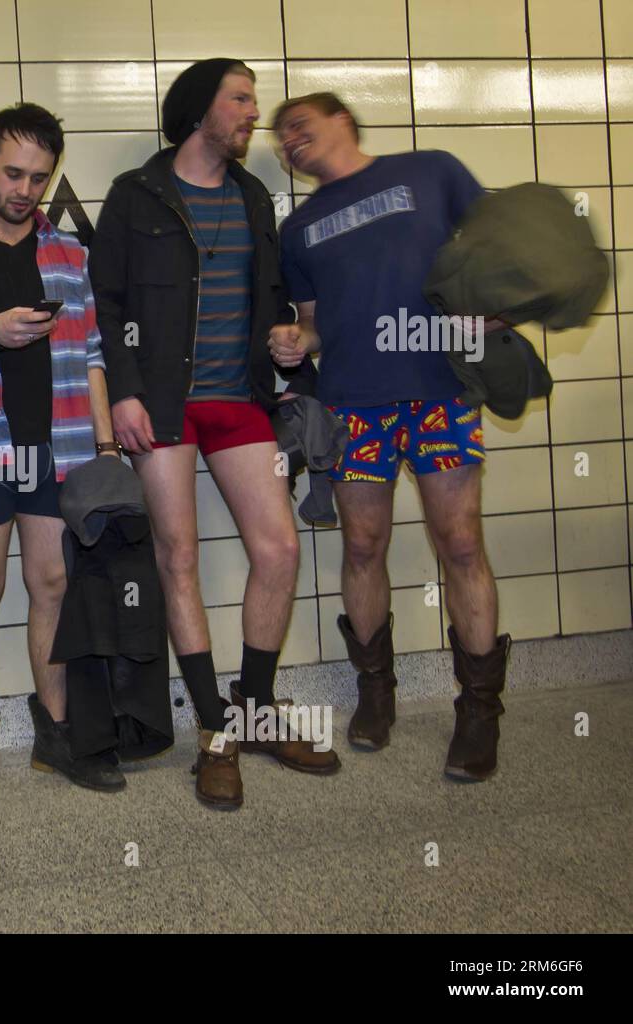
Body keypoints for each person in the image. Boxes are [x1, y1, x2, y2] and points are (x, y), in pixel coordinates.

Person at [90, 59, 340, 811]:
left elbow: (275, 302)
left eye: (253, 100)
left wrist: (294, 337)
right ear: (200, 107)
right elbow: (106, 305)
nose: (252, 113)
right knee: (179, 557)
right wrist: (126, 396)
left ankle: (254, 709)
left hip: (239, 399)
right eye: (239, 98)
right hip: (164, 405)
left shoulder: (253, 195)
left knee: (279, 548)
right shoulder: (138, 196)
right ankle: (213, 732)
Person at [271, 92, 511, 781]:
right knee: (363, 546)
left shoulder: (430, 171)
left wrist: (501, 311)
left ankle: (479, 712)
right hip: (354, 404)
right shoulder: (301, 227)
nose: (289, 141)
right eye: (280, 138)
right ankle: (376, 692)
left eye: (298, 126)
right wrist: (296, 341)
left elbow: (502, 250)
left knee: (461, 543)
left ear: (341, 119)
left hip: (440, 390)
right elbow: (314, 323)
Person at [0, 102, 123, 823]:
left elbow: (93, 357)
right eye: (11, 172)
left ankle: (57, 734)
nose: (24, 188)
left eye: (38, 177)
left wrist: (104, 449)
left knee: (52, 584)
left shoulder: (71, 256)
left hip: (58, 445)